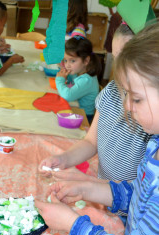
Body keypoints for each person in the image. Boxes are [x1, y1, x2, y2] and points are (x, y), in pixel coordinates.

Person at [36, 22, 159, 235]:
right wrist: (91, 188)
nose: (127, 105)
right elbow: (139, 194)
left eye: (136, 98)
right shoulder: (155, 145)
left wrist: (72, 225)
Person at [39, 23, 150, 183]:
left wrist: (92, 186)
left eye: (127, 59)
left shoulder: (152, 118)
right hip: (103, 192)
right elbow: (91, 142)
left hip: (124, 202)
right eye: (116, 58)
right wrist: (63, 159)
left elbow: (141, 189)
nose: (119, 68)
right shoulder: (111, 91)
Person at [55, 36, 102, 123]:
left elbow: (67, 96)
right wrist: (65, 75)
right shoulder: (79, 71)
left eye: (72, 61)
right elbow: (70, 82)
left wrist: (59, 80)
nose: (67, 65)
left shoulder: (87, 80)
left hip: (83, 117)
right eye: (65, 60)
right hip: (76, 110)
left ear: (86, 60)